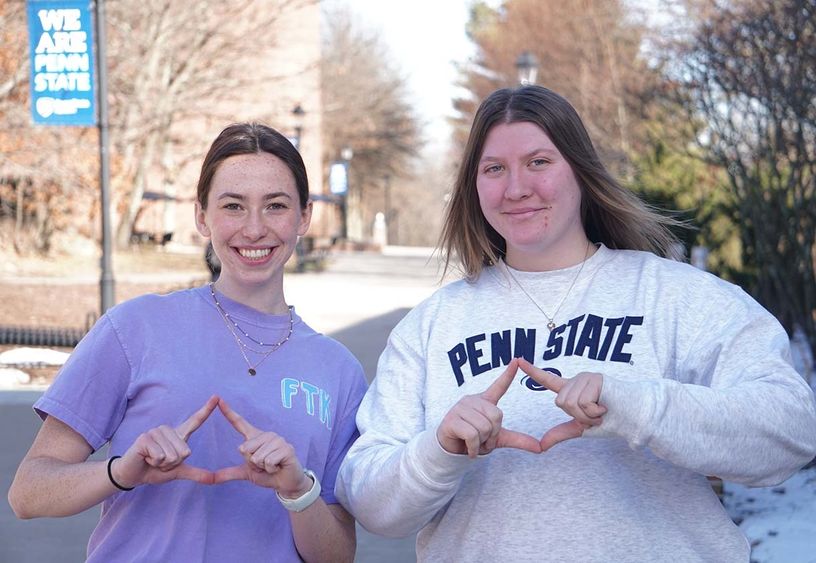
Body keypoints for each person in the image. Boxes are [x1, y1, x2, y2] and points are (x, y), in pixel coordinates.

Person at [335, 85, 816, 562]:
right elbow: (371, 504)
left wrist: (634, 406)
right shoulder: (432, 325)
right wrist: (439, 450)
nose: (516, 187)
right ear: (473, 186)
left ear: (581, 171)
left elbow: (791, 431)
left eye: (539, 162)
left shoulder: (675, 296)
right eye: (494, 169)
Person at [8, 122, 367, 563]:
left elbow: (337, 555)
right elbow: (29, 493)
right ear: (202, 217)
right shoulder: (136, 328)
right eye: (233, 206)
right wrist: (122, 472)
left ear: (304, 218)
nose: (254, 229)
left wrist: (298, 490)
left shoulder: (339, 371)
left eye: (275, 206)